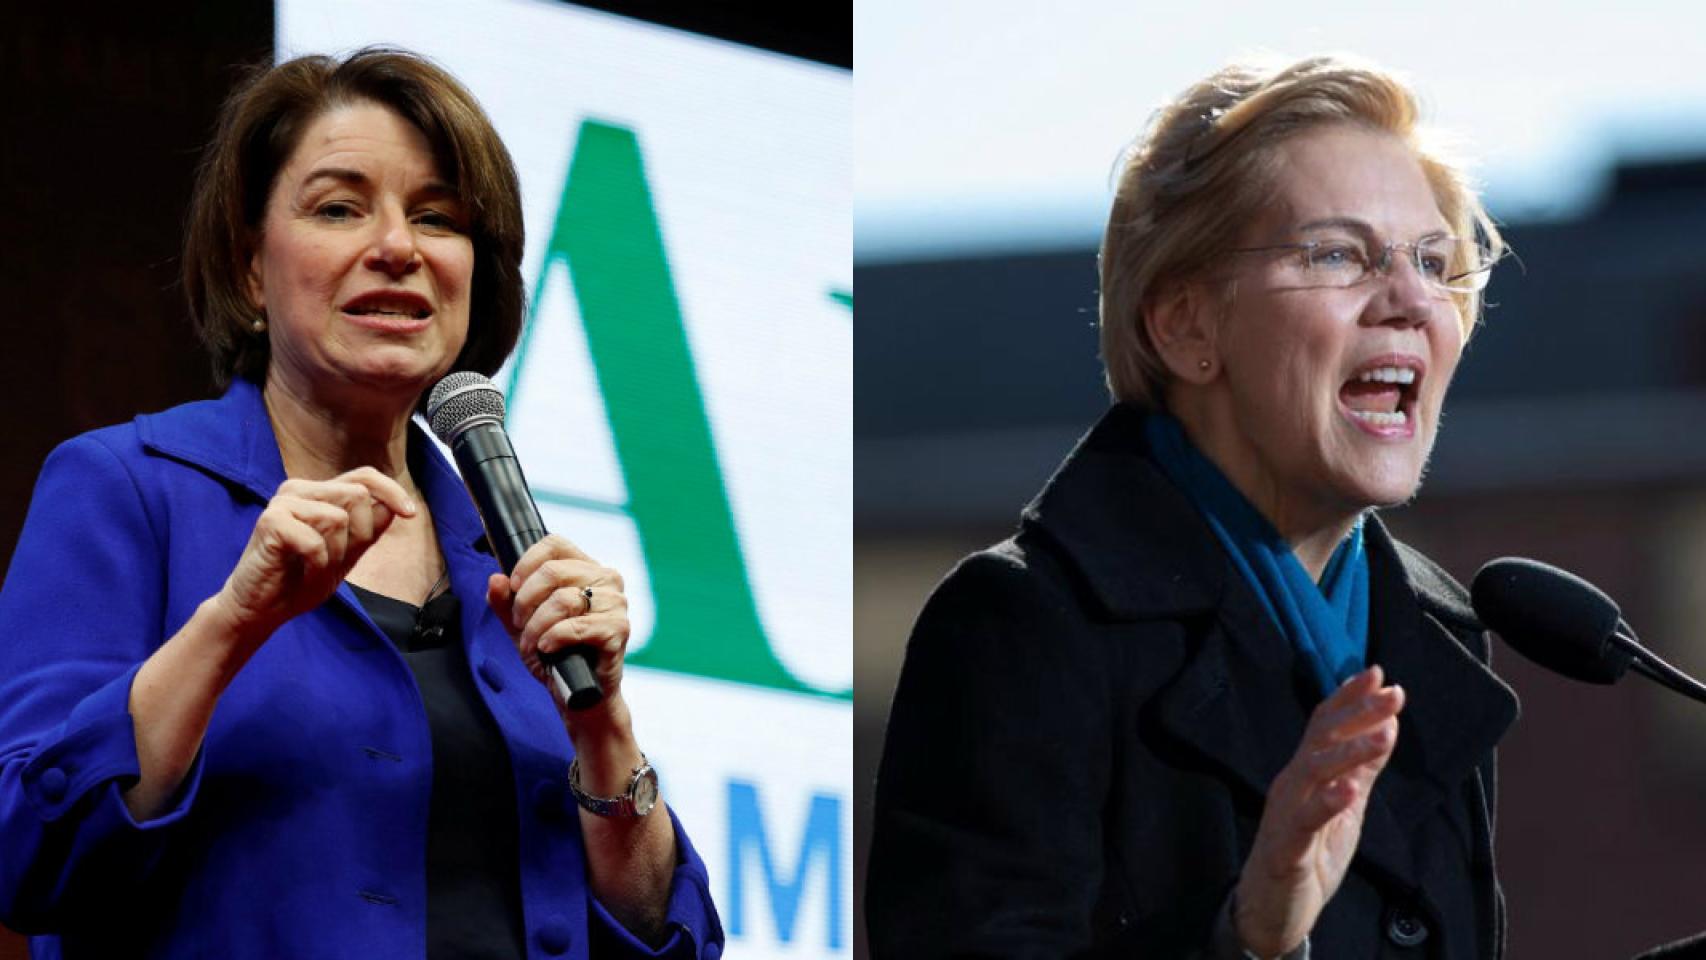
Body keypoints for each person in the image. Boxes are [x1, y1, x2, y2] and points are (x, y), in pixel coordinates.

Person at [0, 48, 721, 959]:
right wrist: (233, 622)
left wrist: (602, 726)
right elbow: (29, 854)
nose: (398, 247)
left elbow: (668, 940)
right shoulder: (126, 490)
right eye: (339, 208)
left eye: (438, 218)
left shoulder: (511, 562)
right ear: (251, 269)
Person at [866, 55, 1519, 958]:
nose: (1412, 300)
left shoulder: (1438, 630)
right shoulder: (1026, 626)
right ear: (1186, 326)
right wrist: (1245, 935)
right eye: (1338, 252)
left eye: (1433, 261)